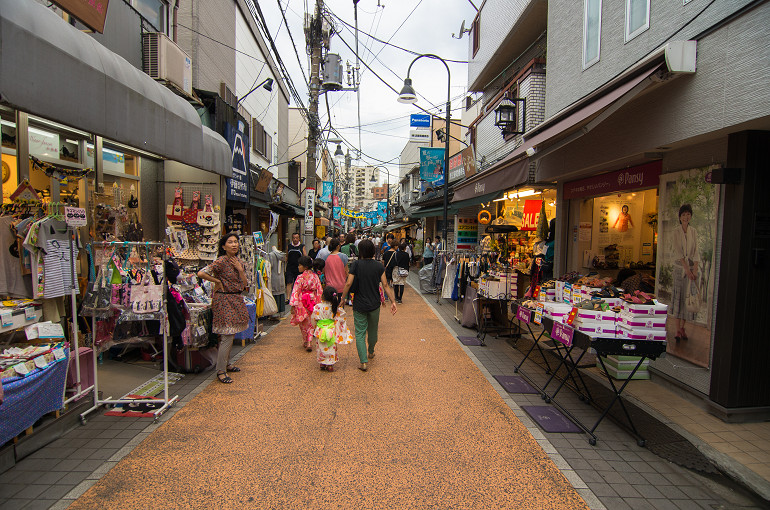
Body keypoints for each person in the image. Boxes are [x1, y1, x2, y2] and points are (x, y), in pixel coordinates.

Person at [197, 233, 250, 384]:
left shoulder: (239, 261)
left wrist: (240, 270)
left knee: (231, 334)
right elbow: (201, 273)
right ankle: (221, 370)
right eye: (230, 242)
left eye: (236, 242)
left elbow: (245, 284)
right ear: (223, 246)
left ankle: (226, 363)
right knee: (227, 335)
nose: (234, 244)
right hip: (223, 299)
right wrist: (216, 281)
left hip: (236, 298)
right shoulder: (220, 261)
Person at [340, 239, 397, 372]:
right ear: (372, 250)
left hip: (359, 303)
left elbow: (348, 283)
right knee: (372, 331)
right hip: (374, 304)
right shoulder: (378, 266)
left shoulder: (356, 264)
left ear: (360, 251)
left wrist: (343, 298)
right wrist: (393, 301)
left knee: (359, 333)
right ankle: (371, 351)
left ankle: (363, 362)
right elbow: (385, 285)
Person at [671, 204, 699, 342]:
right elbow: (678, 252)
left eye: (688, 214)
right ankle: (677, 329)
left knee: (688, 299)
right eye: (683, 215)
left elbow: (696, 251)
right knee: (678, 298)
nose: (686, 217)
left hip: (691, 269)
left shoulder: (693, 231)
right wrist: (686, 269)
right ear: (680, 217)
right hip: (679, 269)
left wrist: (695, 269)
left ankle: (683, 328)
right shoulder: (676, 231)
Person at [311, 285, 354, 371]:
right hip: (331, 330)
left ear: (323, 296)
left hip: (320, 329)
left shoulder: (317, 307)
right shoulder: (334, 308)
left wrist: (315, 327)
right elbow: (341, 317)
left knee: (320, 346)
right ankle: (330, 365)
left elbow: (313, 318)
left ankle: (322, 363)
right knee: (331, 347)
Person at [289, 255, 323, 351]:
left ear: (305, 267)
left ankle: (306, 341)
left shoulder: (300, 277)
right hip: (313, 301)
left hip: (302, 301)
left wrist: (293, 305)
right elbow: (319, 290)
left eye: (300, 265)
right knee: (311, 322)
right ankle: (309, 341)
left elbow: (296, 291)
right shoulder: (315, 276)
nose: (298, 267)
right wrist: (319, 302)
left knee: (304, 322)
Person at [284, 232, 306, 304]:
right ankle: (287, 298)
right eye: (294, 238)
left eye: (296, 238)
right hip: (290, 267)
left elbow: (304, 256)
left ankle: (297, 296)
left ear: (299, 238)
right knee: (289, 282)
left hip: (299, 268)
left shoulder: (302, 246)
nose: (295, 239)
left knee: (298, 283)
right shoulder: (289, 246)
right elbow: (286, 256)